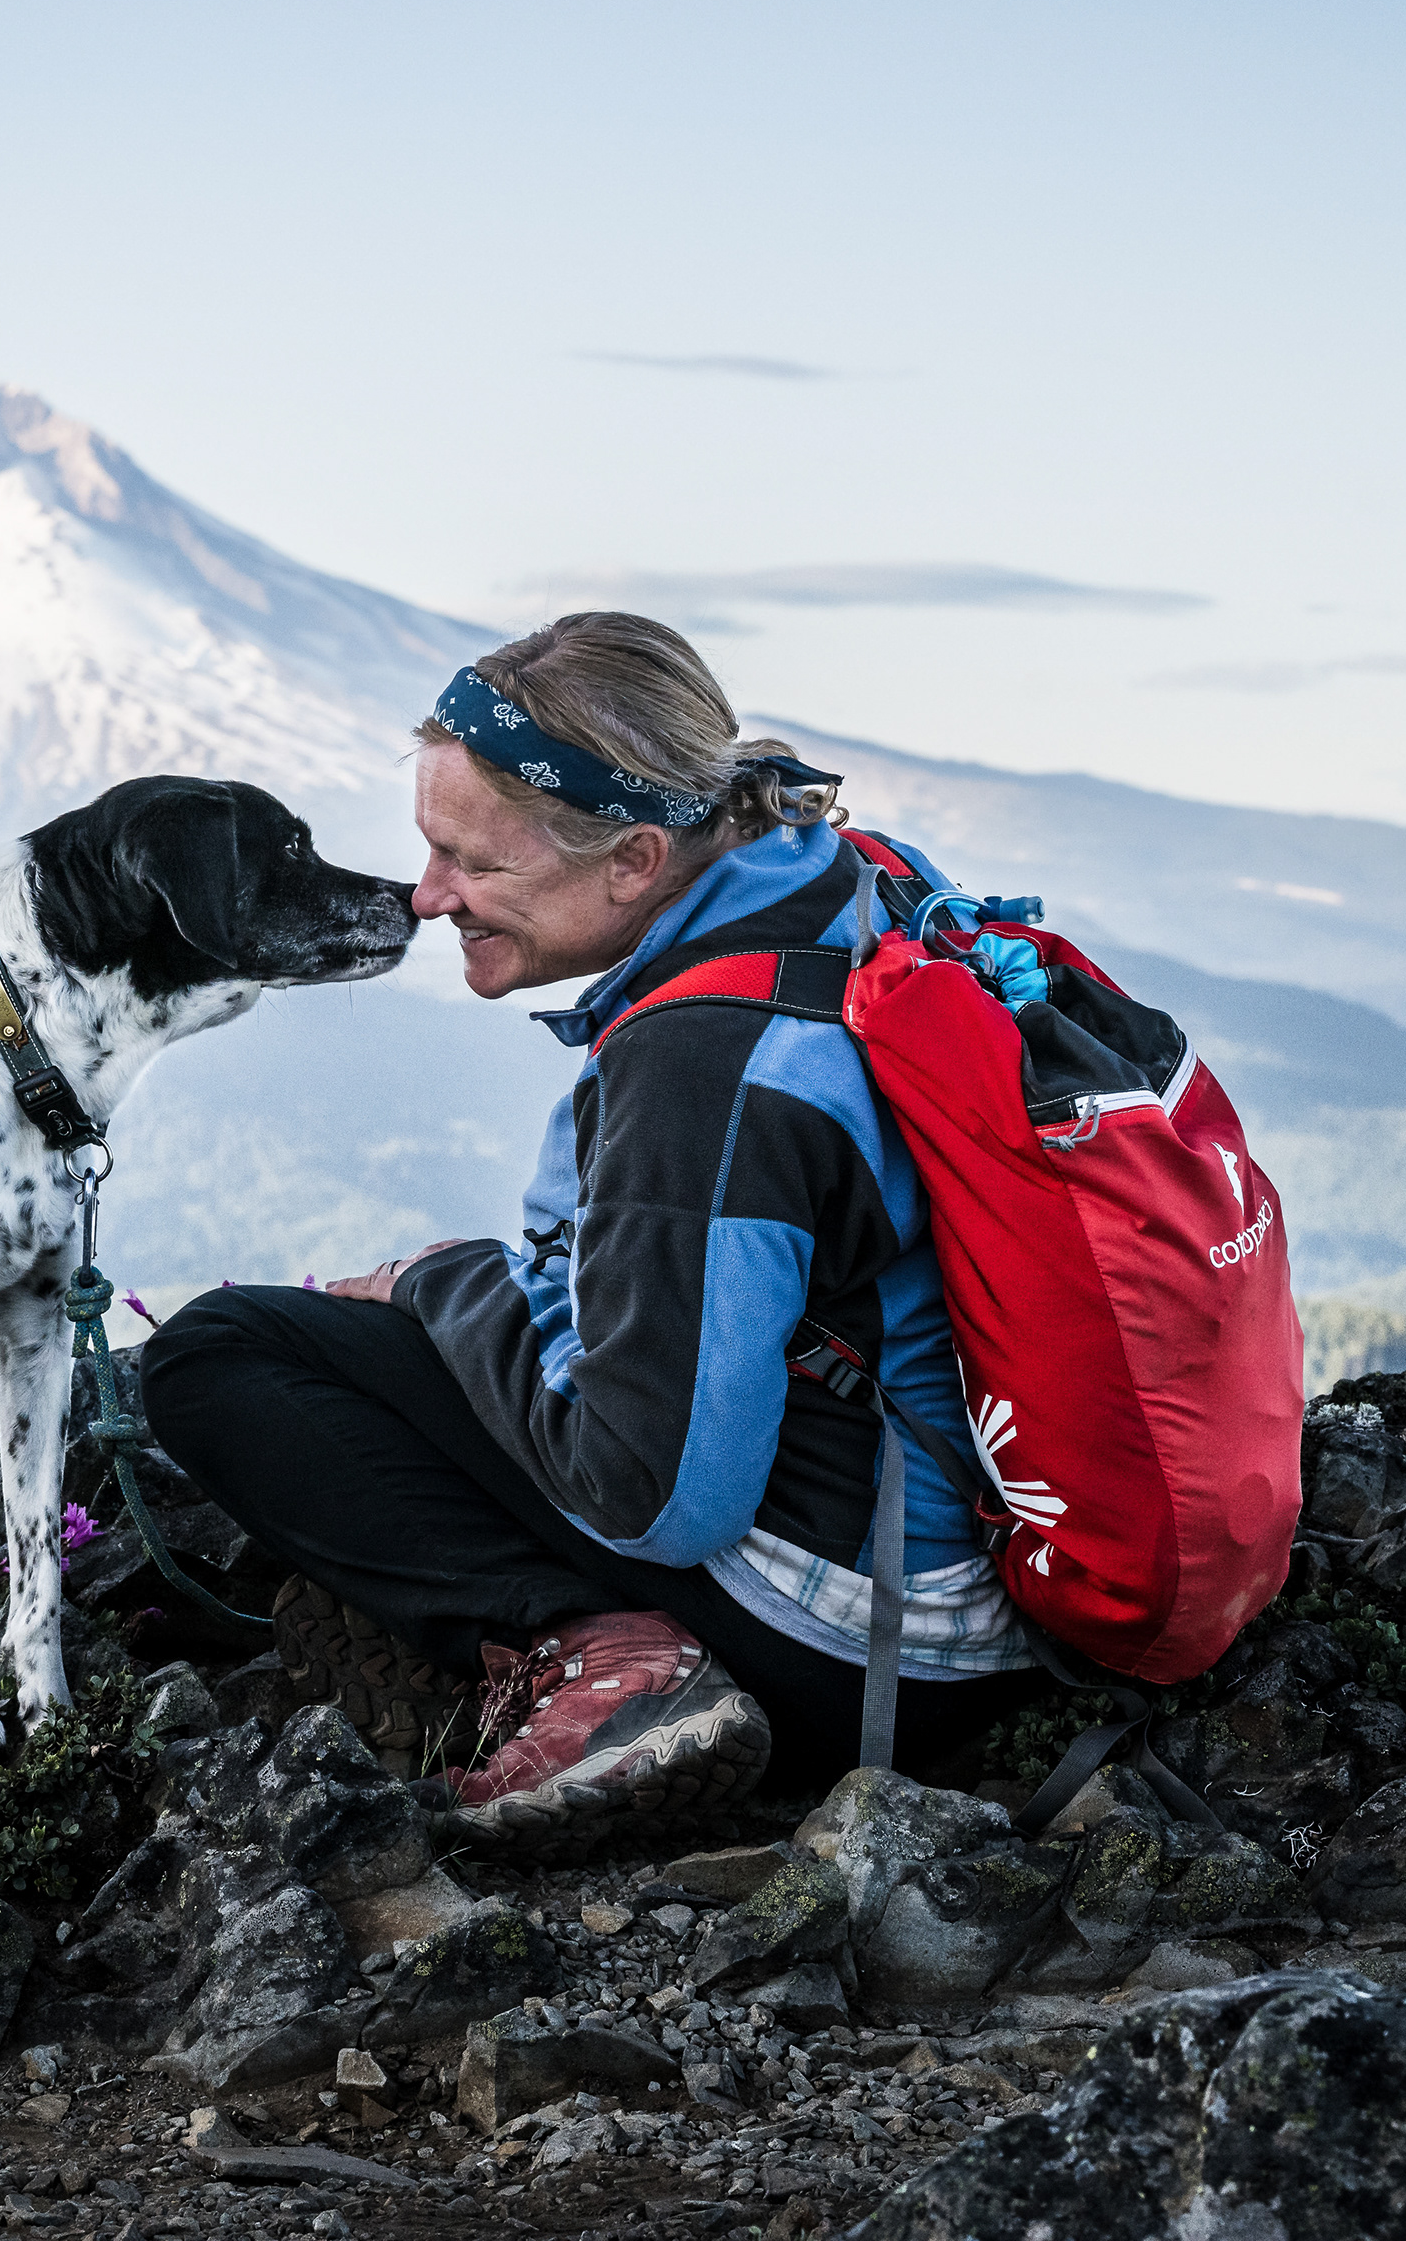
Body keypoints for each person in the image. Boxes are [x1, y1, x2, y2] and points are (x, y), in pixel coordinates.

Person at [141, 611, 1047, 1848]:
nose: (429, 895)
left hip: (862, 1648)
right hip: (972, 1570)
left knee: (219, 1357)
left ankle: (601, 1655)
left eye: (476, 864)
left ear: (631, 858)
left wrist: (446, 1286)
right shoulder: (835, 877)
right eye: (431, 850)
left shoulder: (702, 1067)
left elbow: (655, 1497)